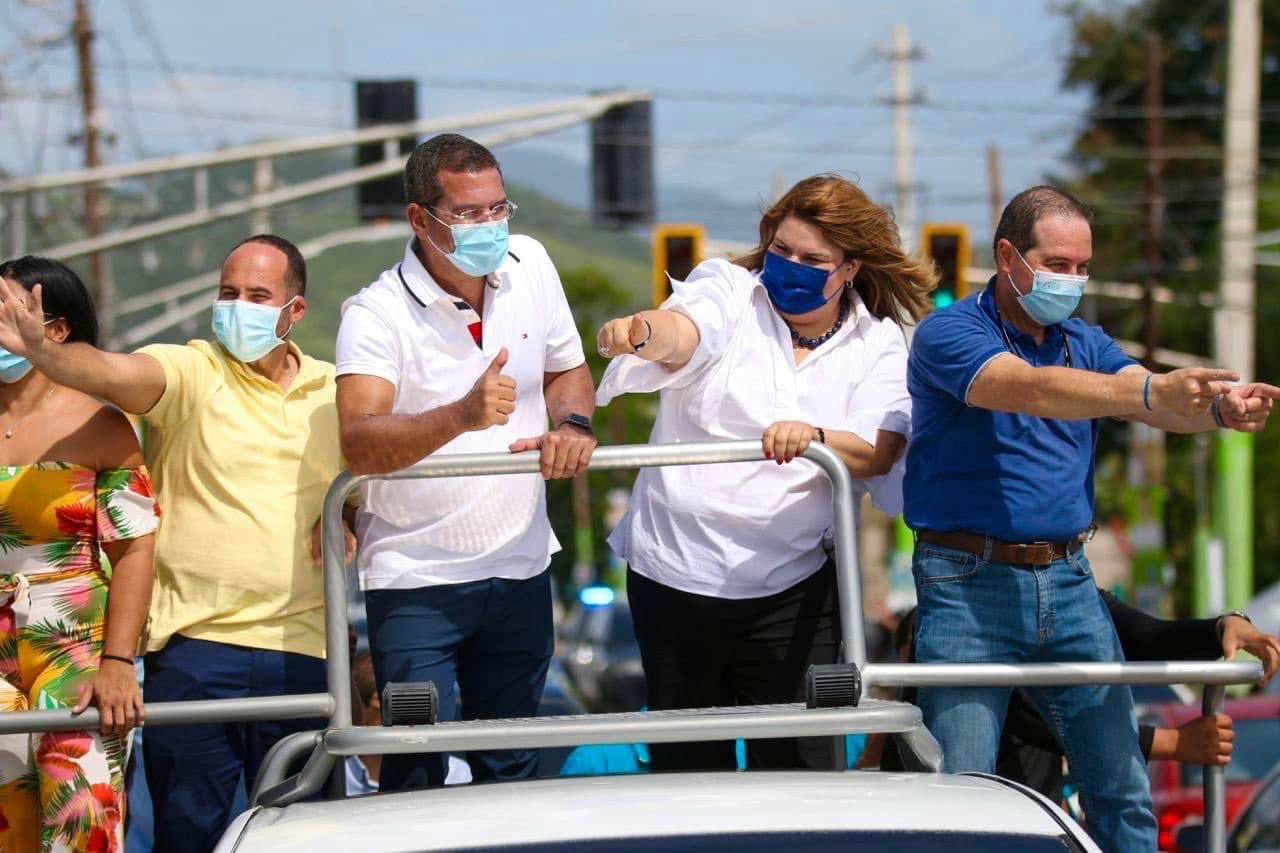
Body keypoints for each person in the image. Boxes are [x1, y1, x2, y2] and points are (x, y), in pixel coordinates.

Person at [903, 185, 1280, 850]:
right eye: (1058, 264)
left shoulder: (1085, 341)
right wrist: (1150, 389)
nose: (1072, 280)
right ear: (1008, 257)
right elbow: (1029, 388)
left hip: (1070, 579)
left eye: (1083, 267)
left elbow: (1146, 401)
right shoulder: (949, 332)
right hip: (967, 585)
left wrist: (1219, 411)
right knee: (963, 796)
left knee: (1123, 791)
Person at [0, 235, 352, 852]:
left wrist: (349, 508)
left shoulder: (334, 392)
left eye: (257, 296)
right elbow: (112, 371)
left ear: (295, 310)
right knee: (184, 834)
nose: (237, 307)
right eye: (227, 293)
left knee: (302, 836)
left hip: (300, 648)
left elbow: (378, 459)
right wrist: (42, 352)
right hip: (194, 649)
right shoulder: (191, 370)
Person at [595, 173, 936, 771]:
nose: (791, 267)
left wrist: (815, 438)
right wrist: (643, 332)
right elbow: (687, 330)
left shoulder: (878, 341)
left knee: (800, 772)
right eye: (782, 250)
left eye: (813, 259)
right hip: (676, 574)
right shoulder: (729, 289)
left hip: (795, 589)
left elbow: (879, 450)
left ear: (850, 268)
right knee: (689, 772)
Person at [335, 133, 597, 791]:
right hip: (416, 579)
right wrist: (460, 414)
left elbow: (568, 369)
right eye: (468, 213)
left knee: (509, 766)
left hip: (520, 565)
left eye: (498, 208)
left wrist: (572, 424)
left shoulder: (532, 263)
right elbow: (359, 440)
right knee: (416, 762)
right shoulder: (374, 313)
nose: (490, 225)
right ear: (420, 219)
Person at [0, 257, 159, 852]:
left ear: (56, 328)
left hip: (75, 647)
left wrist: (118, 661)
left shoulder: (102, 425)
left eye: (6, 310)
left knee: (81, 820)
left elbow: (135, 548)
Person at [873, 601, 1280, 799]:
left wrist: (1225, 626)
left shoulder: (1070, 594)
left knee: (1126, 805)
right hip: (956, 820)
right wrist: (1173, 743)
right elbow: (1034, 714)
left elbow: (1147, 636)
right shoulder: (952, 616)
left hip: (1038, 823)